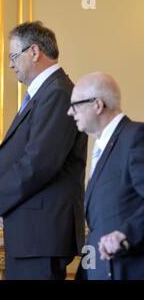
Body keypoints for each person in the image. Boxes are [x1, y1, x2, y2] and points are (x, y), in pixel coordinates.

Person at [0, 21, 87, 280]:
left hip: (42, 233)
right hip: (32, 231)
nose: (10, 65)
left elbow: (39, 162)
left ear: (34, 51)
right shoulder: (46, 92)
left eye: (13, 56)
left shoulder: (58, 92)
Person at [68, 72, 144, 280]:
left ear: (98, 105)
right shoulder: (102, 147)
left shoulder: (135, 137)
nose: (69, 112)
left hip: (127, 269)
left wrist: (126, 234)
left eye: (75, 105)